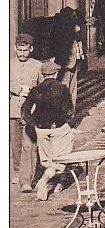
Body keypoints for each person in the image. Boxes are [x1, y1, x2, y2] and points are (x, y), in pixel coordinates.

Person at [22, 60, 74, 201]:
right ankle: (50, 180)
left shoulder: (36, 90)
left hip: (41, 129)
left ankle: (50, 179)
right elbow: (69, 110)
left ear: (42, 74)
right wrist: (69, 123)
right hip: (59, 128)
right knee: (62, 159)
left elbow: (25, 110)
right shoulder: (62, 89)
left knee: (48, 160)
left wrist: (33, 123)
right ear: (56, 73)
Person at [10, 34, 42, 192]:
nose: (22, 53)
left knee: (28, 145)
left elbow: (43, 87)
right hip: (12, 111)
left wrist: (31, 91)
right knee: (15, 145)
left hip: (30, 111)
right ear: (15, 48)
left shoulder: (37, 65)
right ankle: (17, 171)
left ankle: (26, 179)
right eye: (19, 50)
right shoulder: (8, 65)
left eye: (25, 50)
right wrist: (14, 89)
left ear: (31, 49)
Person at [50, 7, 82, 113]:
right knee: (66, 90)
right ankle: (64, 116)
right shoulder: (63, 32)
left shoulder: (66, 30)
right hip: (65, 65)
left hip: (72, 63)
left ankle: (69, 114)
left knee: (71, 89)